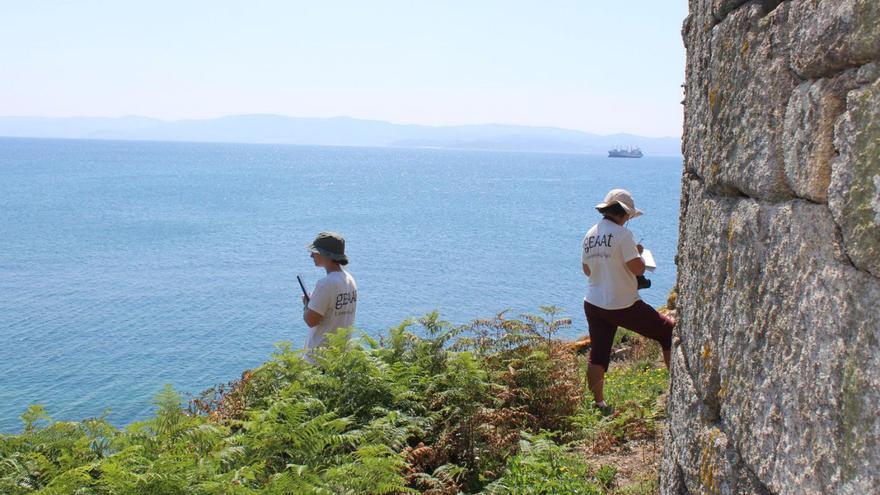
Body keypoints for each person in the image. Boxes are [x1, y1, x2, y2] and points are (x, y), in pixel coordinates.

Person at [581, 189, 674, 412]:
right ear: (624, 214)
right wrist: (638, 255)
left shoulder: (590, 234)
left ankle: (599, 403)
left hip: (594, 302)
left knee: (598, 353)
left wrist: (621, 258)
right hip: (622, 303)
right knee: (668, 331)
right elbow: (638, 268)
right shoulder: (623, 235)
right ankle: (676, 389)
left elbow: (587, 270)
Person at [301, 231, 358, 352]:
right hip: (340, 355)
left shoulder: (325, 284)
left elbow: (311, 321)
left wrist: (307, 304)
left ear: (326, 254)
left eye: (315, 252)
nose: (311, 255)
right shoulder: (350, 279)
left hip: (319, 359)